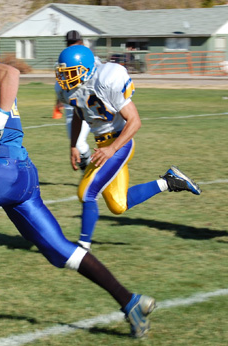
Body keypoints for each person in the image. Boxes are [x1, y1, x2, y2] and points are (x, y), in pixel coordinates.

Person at [0, 18, 156, 338]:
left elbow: (9, 74)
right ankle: (130, 301)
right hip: (21, 172)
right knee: (60, 252)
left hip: (3, 171)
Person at [55, 45, 201, 251]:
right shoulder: (70, 89)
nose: (65, 78)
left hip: (119, 143)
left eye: (70, 73)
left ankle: (82, 247)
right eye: (62, 73)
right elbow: (79, 112)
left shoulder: (105, 81)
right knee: (118, 205)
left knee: (87, 192)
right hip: (102, 145)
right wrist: (73, 144)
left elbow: (134, 121)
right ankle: (169, 182)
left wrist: (112, 148)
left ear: (86, 69)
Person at [53, 30, 92, 171]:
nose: (71, 46)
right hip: (72, 109)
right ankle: (88, 174)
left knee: (80, 144)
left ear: (81, 43)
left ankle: (93, 174)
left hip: (89, 107)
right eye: (69, 44)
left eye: (74, 43)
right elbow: (61, 84)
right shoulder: (64, 60)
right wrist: (58, 101)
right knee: (76, 145)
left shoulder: (88, 59)